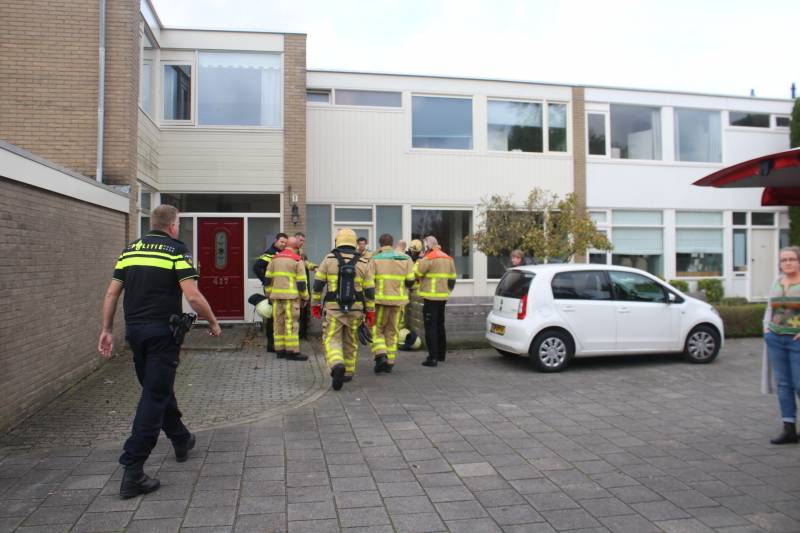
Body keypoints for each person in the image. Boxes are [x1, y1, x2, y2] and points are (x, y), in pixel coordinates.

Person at [98, 204, 222, 499]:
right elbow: (192, 296)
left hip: (135, 333)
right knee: (154, 396)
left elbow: (112, 292)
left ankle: (181, 438)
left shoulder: (131, 250)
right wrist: (213, 321)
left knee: (157, 388)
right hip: (162, 335)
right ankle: (133, 469)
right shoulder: (176, 251)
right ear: (173, 225)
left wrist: (106, 329)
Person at [311, 228, 375, 390]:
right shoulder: (363, 262)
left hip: (333, 309)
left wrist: (315, 304)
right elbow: (369, 291)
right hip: (356, 309)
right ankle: (348, 373)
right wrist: (370, 311)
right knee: (351, 341)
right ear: (354, 242)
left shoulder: (329, 259)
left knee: (332, 339)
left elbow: (317, 286)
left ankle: (336, 364)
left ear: (338, 241)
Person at [763, 246, 800, 445]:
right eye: (784, 260)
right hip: (776, 338)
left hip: (797, 341)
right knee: (784, 384)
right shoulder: (777, 282)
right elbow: (770, 307)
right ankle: (789, 428)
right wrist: (766, 329)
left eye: (791, 259)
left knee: (799, 383)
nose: (787, 263)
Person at [370, 233, 415, 373]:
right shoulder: (406, 258)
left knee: (377, 329)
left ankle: (381, 355)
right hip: (398, 302)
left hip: (380, 302)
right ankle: (390, 362)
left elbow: (369, 282)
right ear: (392, 243)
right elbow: (410, 281)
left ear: (380, 244)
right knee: (391, 332)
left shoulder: (375, 259)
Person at [413, 236, 456, 367]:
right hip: (442, 298)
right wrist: (447, 292)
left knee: (430, 327)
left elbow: (416, 273)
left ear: (428, 246)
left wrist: (419, 259)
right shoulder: (448, 258)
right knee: (440, 326)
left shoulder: (428, 258)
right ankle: (441, 355)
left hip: (430, 298)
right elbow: (452, 279)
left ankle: (432, 358)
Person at [265, 236, 309, 361]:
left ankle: (280, 350)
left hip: (276, 298)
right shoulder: (297, 260)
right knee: (291, 324)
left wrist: (268, 294)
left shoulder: (274, 259)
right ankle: (292, 352)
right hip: (291, 298)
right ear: (296, 247)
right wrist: (305, 297)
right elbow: (301, 283)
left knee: (278, 323)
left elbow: (268, 279)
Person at [252, 233, 288, 353]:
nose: (283, 244)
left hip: (280, 290)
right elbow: (256, 267)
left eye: (285, 242)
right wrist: (265, 281)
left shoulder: (282, 253)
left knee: (278, 317)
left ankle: (276, 344)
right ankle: (271, 345)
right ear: (276, 241)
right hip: (271, 290)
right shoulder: (270, 253)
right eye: (281, 241)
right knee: (272, 318)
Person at [295, 231, 316, 340]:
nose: (302, 242)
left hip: (304, 286)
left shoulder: (302, 253)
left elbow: (306, 263)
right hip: (295, 288)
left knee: (304, 312)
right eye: (300, 240)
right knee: (296, 313)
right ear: (295, 239)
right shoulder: (291, 253)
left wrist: (315, 267)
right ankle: (296, 335)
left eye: (303, 241)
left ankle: (303, 334)